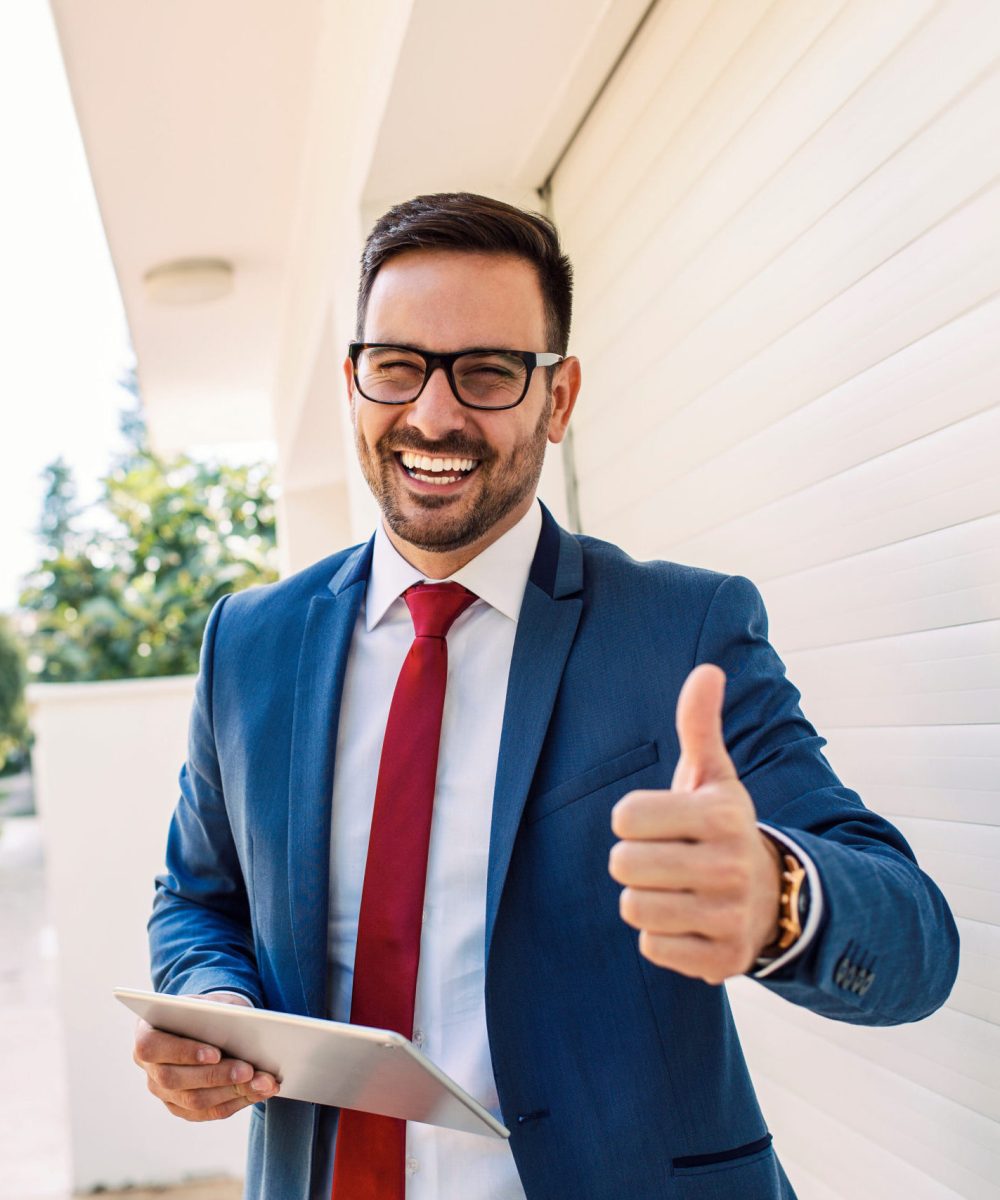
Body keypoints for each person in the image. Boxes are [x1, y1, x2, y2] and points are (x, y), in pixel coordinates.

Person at [134, 193, 959, 1200]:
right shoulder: (248, 643)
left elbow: (916, 945)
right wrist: (211, 1007)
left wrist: (778, 898)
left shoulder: (679, 632)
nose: (433, 415)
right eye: (397, 366)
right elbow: (197, 899)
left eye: (486, 372)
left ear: (558, 399)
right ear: (353, 381)